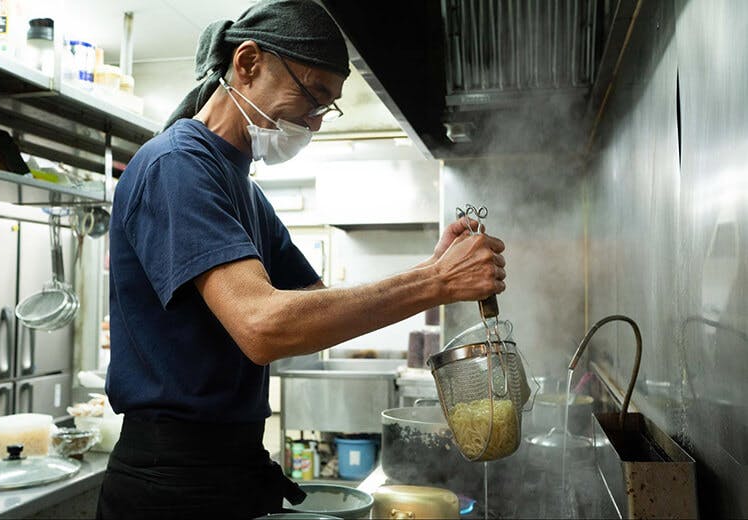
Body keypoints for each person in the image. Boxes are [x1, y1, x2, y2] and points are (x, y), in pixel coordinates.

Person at [97, 1, 507, 518]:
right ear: (247, 64)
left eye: (327, 106)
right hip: (172, 485)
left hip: (229, 470)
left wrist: (431, 269)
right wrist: (433, 282)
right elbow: (263, 327)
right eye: (312, 95)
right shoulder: (177, 167)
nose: (314, 121)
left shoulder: (245, 193)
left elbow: (316, 309)